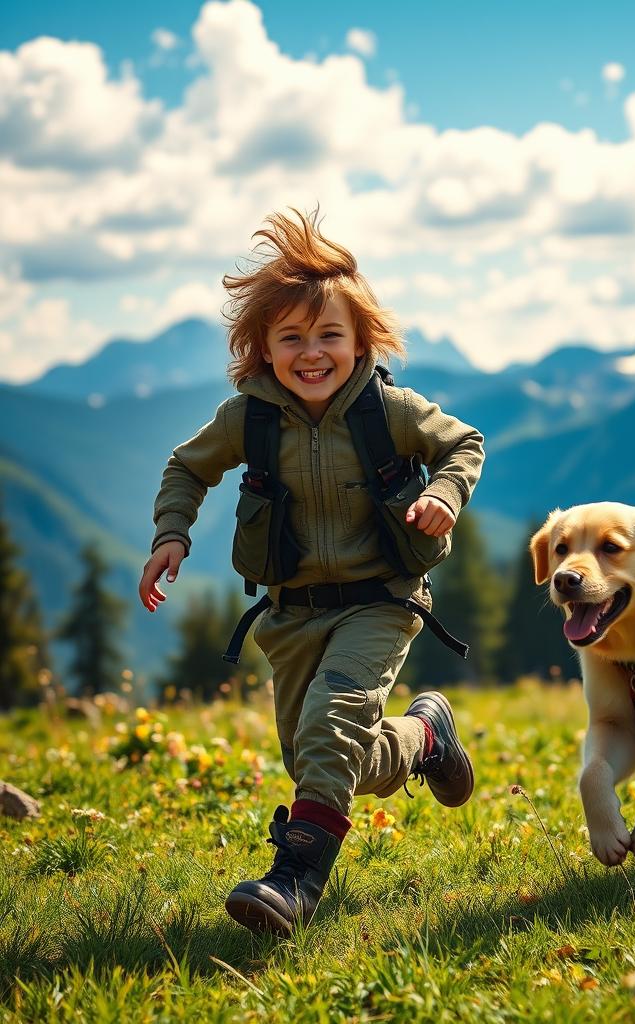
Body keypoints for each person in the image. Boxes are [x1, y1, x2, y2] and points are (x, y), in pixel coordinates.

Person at [138, 209, 485, 936]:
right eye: (290, 338)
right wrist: (172, 533)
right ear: (261, 349)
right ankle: (425, 739)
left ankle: (295, 878)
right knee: (321, 756)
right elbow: (186, 467)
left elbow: (463, 445)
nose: (311, 352)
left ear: (360, 341)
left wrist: (441, 494)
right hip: (292, 613)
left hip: (383, 600)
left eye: (328, 335)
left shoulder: (388, 410)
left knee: (333, 723)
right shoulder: (248, 419)